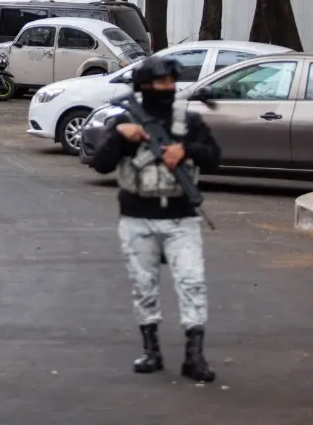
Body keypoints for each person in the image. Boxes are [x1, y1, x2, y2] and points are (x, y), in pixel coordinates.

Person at [90, 56, 222, 383]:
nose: (169, 87)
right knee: (143, 285)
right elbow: (101, 164)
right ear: (145, 85)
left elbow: (215, 157)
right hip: (138, 217)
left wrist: (186, 150)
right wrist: (121, 136)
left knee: (192, 282)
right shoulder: (126, 121)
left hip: (181, 217)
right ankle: (151, 351)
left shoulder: (188, 122)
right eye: (162, 82)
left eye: (171, 82)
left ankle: (194, 356)